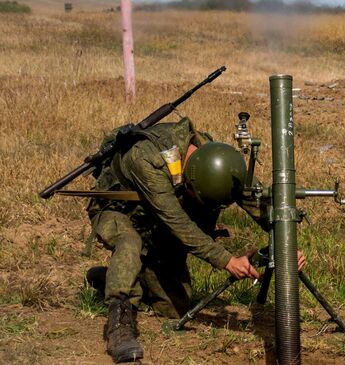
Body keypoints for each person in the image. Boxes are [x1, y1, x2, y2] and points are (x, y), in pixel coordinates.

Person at [84, 117, 306, 363]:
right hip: (119, 212)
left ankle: (112, 277)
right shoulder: (146, 158)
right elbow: (176, 221)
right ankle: (119, 325)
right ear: (190, 182)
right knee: (129, 243)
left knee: (174, 307)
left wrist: (286, 245)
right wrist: (226, 260)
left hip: (155, 223)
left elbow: (257, 200)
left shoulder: (218, 161)